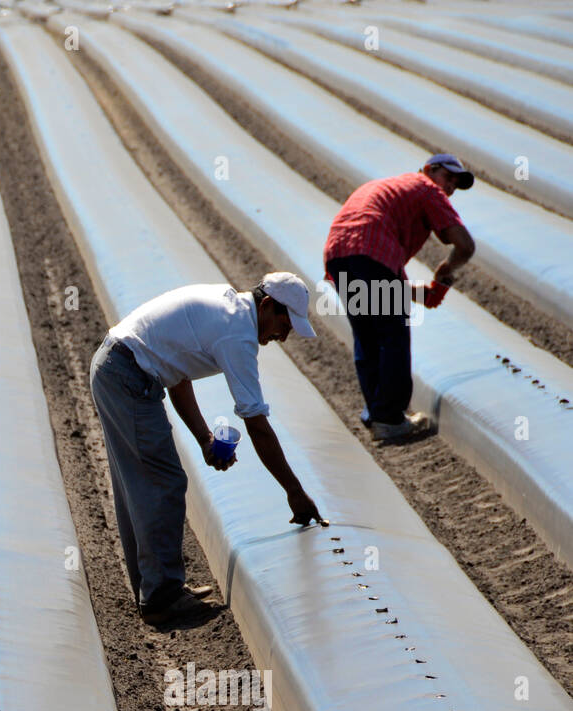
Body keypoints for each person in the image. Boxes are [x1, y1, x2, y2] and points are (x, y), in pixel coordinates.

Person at [90, 274, 324, 626]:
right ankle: (161, 596)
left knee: (137, 485)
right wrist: (295, 492)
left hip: (115, 367)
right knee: (162, 481)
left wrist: (204, 439)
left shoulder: (225, 307)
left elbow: (178, 374)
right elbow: (257, 426)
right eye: (284, 323)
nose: (283, 336)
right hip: (126, 375)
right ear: (266, 305)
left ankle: (155, 588)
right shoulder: (238, 334)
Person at [324, 153, 476, 440]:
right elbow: (465, 245)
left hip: (339, 255)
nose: (450, 189)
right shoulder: (427, 189)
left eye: (456, 185)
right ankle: (390, 418)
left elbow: (379, 278)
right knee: (392, 335)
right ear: (430, 170)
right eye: (448, 178)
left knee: (368, 335)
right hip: (368, 258)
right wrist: (447, 267)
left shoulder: (391, 191)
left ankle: (379, 414)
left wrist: (423, 293)